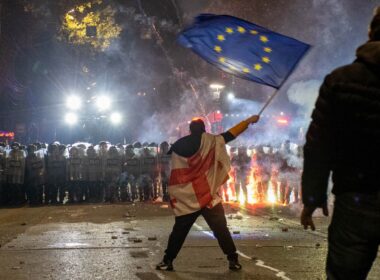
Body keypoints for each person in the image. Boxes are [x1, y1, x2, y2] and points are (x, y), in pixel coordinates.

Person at [300, 7, 380, 280]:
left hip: (356, 200)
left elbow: (318, 147)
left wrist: (312, 198)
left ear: (371, 32)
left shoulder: (341, 80)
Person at [156, 115, 260, 271]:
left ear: (189, 130)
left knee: (179, 232)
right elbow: (231, 134)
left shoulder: (178, 145)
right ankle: (233, 260)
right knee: (221, 230)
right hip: (208, 195)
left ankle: (167, 261)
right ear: (204, 129)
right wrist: (248, 122)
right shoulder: (212, 140)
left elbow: (175, 169)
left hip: (187, 197)